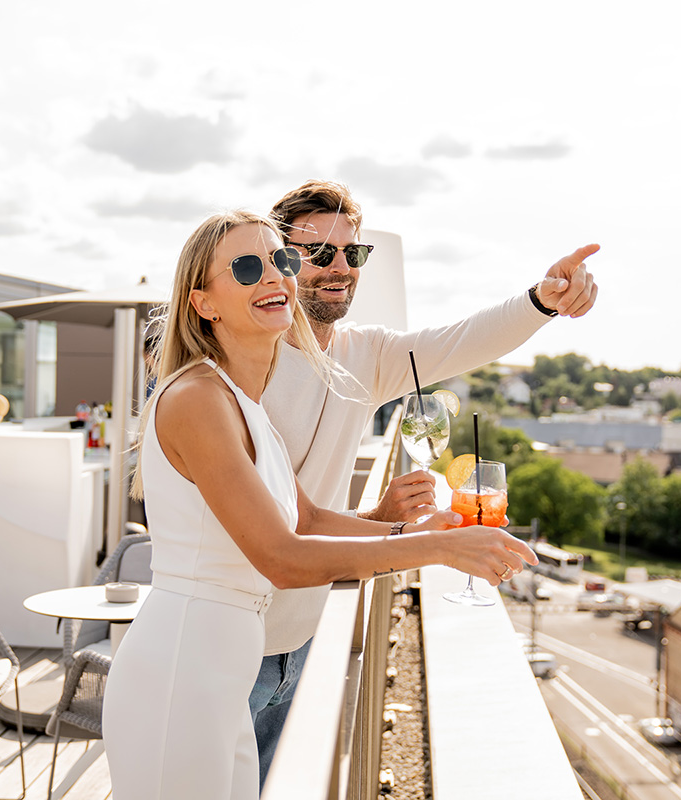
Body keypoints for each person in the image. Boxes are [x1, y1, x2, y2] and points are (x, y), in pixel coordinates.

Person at [100, 209, 537, 800]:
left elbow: (304, 518)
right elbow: (281, 557)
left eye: (280, 261)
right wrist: (437, 549)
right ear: (204, 303)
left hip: (220, 666)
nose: (274, 278)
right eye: (248, 267)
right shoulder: (198, 397)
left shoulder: (243, 398)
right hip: (184, 670)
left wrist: (414, 531)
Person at [250, 180, 600, 785]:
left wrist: (542, 300)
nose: (339, 268)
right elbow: (286, 519)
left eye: (352, 253)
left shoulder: (369, 355)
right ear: (281, 257)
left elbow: (465, 339)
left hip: (305, 629)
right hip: (234, 636)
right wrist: (422, 538)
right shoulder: (248, 356)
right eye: (318, 252)